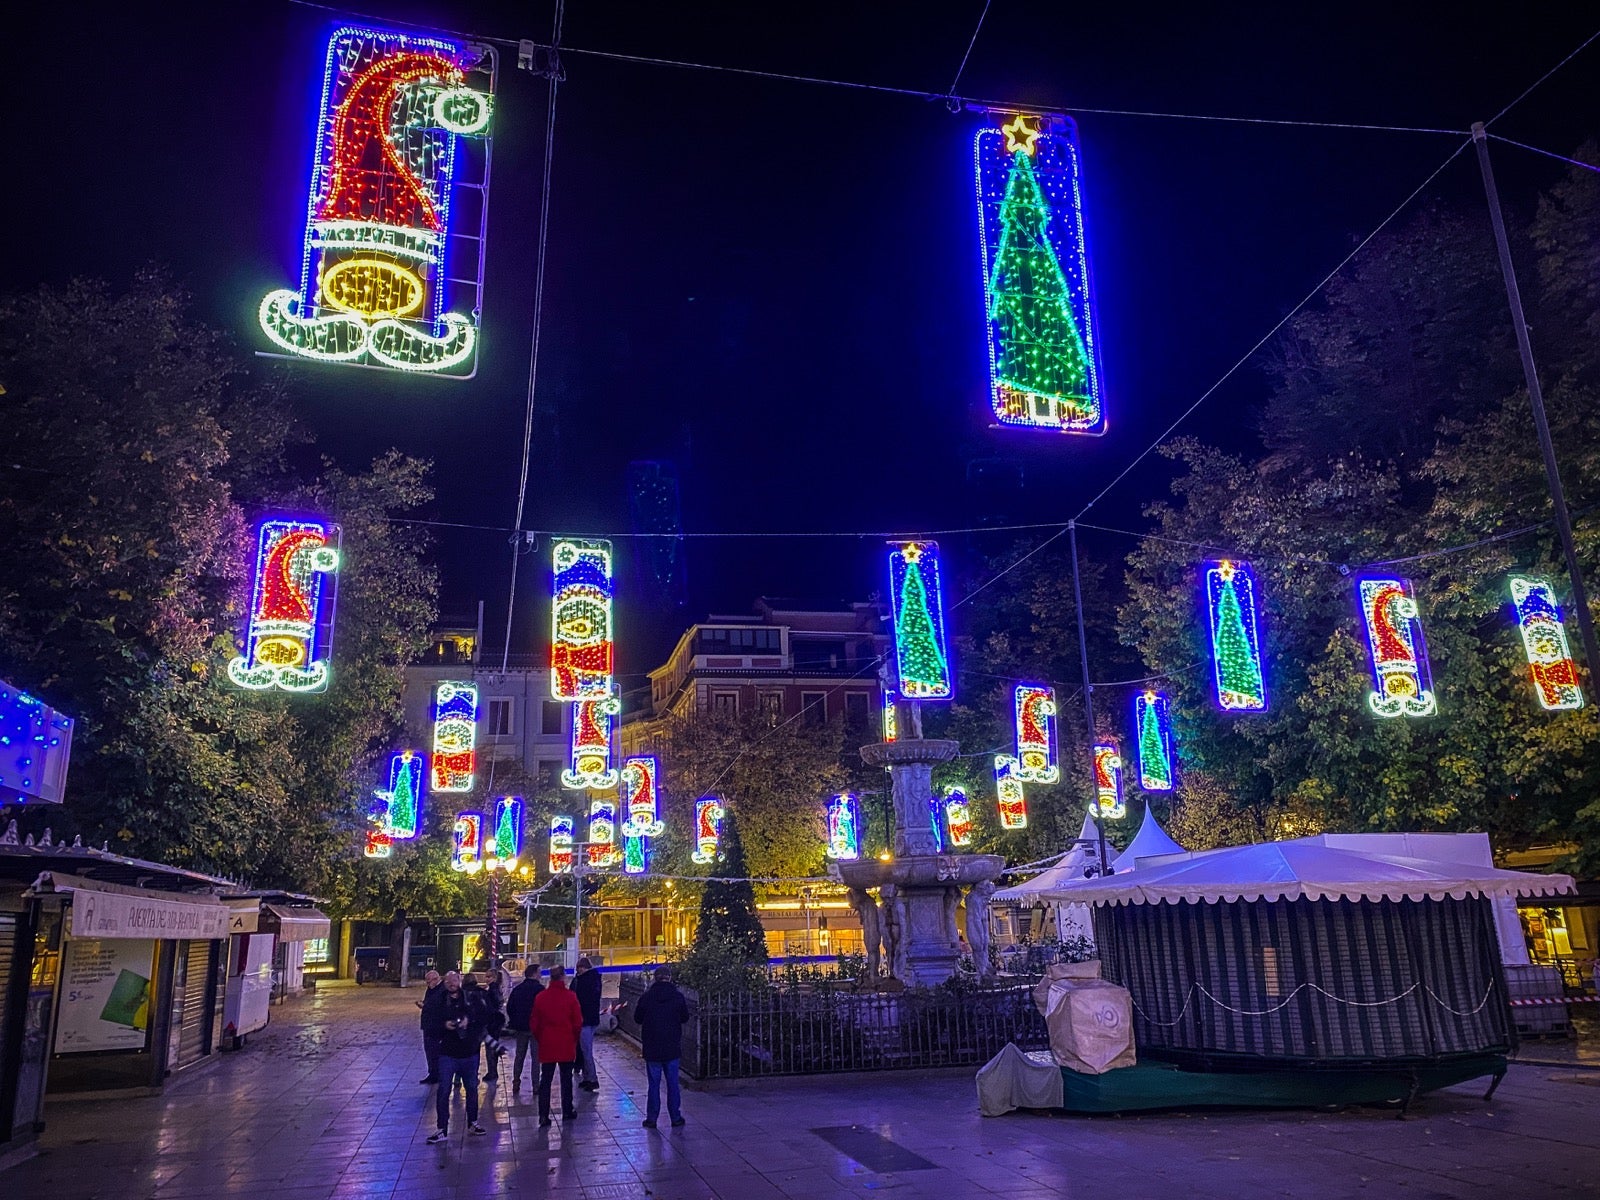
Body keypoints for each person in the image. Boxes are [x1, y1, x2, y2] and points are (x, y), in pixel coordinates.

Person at [422, 971, 488, 1142]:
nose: (452, 984)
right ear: (444, 983)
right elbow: (430, 1026)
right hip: (448, 1053)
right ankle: (442, 1128)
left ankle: (473, 1122)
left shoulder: (470, 998)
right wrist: (444, 1026)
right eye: (449, 982)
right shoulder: (439, 1001)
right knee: (444, 1090)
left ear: (459, 980)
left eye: (455, 980)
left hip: (469, 1052)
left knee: (472, 1089)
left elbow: (483, 1018)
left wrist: (469, 1021)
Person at [633, 965, 689, 1129]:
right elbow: (685, 1017)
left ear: (655, 978)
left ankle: (652, 1118)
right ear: (669, 978)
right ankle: (675, 1117)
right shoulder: (677, 997)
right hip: (672, 1046)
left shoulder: (647, 997)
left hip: (652, 1047)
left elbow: (637, 1018)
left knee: (654, 1085)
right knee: (673, 1084)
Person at [530, 964, 583, 1126]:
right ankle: (567, 1110)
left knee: (545, 1080)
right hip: (566, 1043)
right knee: (566, 1079)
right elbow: (577, 1022)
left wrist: (542, 1038)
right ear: (563, 977)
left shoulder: (541, 997)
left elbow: (534, 1023)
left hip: (547, 1044)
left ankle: (543, 1115)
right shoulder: (571, 997)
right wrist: (573, 1039)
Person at [505, 964, 543, 1089]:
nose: (541, 975)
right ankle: (536, 1085)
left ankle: (516, 1081)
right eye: (539, 972)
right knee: (536, 1057)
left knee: (519, 1055)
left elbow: (510, 1007)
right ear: (534, 974)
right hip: (536, 1028)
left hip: (520, 1027)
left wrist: (515, 1020)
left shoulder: (518, 989)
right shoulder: (540, 989)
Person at [572, 956, 603, 1092]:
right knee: (586, 1050)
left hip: (583, 1019)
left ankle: (592, 1079)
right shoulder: (595, 980)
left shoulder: (581, 981)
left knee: (586, 1051)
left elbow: (576, 999)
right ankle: (587, 1078)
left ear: (582, 968)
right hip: (592, 1019)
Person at [481, 970, 508, 1084]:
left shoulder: (492, 990)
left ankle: (492, 1071)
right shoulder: (496, 989)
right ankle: (493, 1070)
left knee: (490, 1047)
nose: (486, 979)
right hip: (497, 1022)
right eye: (486, 976)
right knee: (492, 1045)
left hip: (492, 1022)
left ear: (494, 977)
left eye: (489, 977)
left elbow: (492, 1006)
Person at [417, 969, 443, 1084]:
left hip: (436, 1026)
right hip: (428, 1025)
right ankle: (432, 1073)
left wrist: (425, 1006)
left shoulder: (442, 990)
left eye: (429, 982)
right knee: (429, 1051)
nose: (428, 984)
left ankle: (436, 1073)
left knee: (435, 1051)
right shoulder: (431, 989)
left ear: (436, 979)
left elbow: (437, 1006)